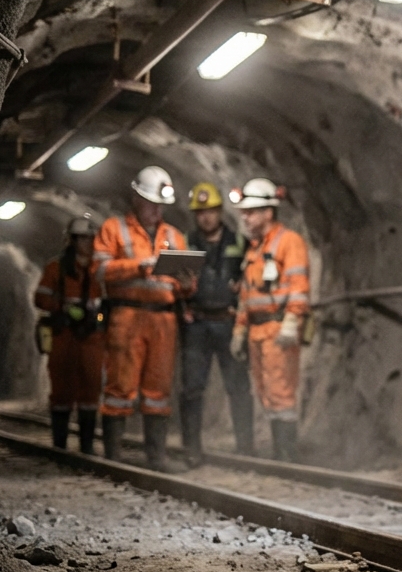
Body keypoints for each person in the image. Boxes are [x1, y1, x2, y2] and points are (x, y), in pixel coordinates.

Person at [92, 166, 196, 470]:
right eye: (151, 203)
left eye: (160, 204)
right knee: (120, 387)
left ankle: (156, 457)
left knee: (158, 389)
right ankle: (113, 457)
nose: (156, 210)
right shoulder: (114, 229)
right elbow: (99, 271)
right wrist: (140, 265)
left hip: (163, 320)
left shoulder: (174, 236)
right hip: (126, 316)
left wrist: (188, 285)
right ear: (136, 198)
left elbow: (181, 286)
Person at [230, 178, 310, 461]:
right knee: (265, 392)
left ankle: (286, 456)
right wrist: (240, 330)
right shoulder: (253, 249)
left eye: (251, 211)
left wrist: (292, 321)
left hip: (278, 328)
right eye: (244, 212)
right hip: (258, 331)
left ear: (268, 212)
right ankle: (280, 454)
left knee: (281, 393)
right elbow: (247, 296)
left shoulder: (290, 242)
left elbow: (298, 285)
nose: (245, 217)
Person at [180, 182, 254, 464]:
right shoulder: (184, 243)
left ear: (220, 211)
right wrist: (182, 305)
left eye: (210, 211)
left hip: (228, 322)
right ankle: (192, 449)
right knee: (192, 388)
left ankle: (246, 449)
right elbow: (173, 282)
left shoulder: (238, 243)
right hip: (196, 323)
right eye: (200, 212)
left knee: (238, 387)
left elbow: (253, 277)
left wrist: (241, 300)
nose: (206, 217)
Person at [33, 216, 104, 453]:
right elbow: (40, 297)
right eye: (82, 238)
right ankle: (60, 446)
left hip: (92, 336)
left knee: (91, 387)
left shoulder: (100, 269)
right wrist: (62, 307)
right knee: (62, 388)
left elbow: (107, 300)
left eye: (90, 238)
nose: (87, 243)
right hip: (63, 334)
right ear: (72, 240)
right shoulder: (56, 268)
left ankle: (86, 447)